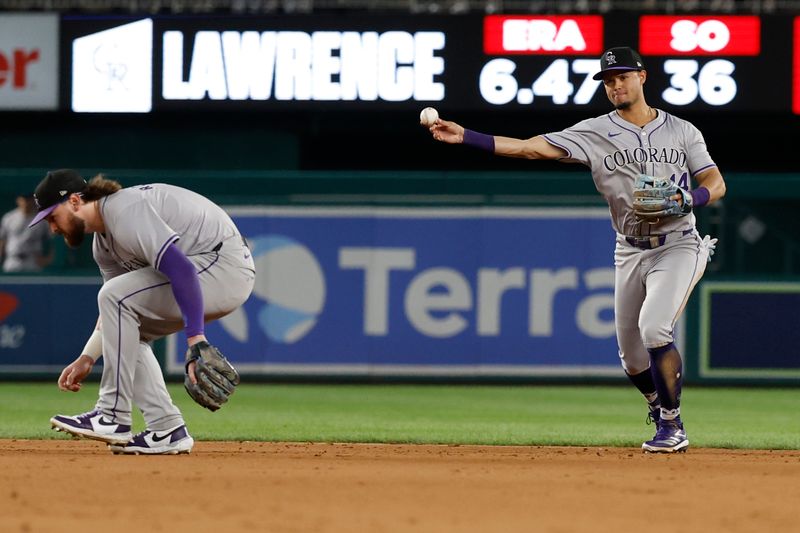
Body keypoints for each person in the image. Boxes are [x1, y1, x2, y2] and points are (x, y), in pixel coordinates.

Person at [428, 47, 726, 453]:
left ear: (642, 76)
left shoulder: (683, 131)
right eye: (608, 80)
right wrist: (466, 137)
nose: (615, 84)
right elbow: (531, 147)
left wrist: (689, 199)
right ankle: (659, 406)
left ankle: (673, 426)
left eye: (622, 76)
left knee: (655, 327)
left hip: (679, 243)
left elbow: (715, 180)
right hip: (630, 249)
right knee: (632, 358)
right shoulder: (594, 131)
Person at [29, 169, 255, 455]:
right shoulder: (103, 245)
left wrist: (196, 339)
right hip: (208, 270)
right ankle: (167, 429)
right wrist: (88, 357)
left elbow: (181, 269)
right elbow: (114, 312)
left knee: (116, 298)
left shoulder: (124, 209)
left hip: (225, 266)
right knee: (122, 321)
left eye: (52, 217)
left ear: (74, 201)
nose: (52, 228)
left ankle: (112, 416)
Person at [0, 193, 53, 272]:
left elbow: (53, 240)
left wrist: (48, 259)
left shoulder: (42, 220)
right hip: (13, 261)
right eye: (23, 200)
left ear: (33, 201)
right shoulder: (9, 218)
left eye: (29, 200)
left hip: (32, 261)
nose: (26, 202)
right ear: (18, 200)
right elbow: (2, 241)